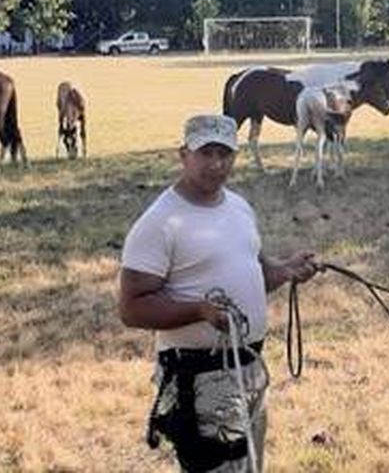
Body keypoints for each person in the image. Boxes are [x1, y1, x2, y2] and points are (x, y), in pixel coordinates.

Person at [119, 113, 320, 473]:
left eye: (225, 154)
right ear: (184, 155)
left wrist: (288, 270)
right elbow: (132, 308)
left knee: (249, 465)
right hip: (201, 377)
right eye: (206, 153)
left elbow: (256, 271)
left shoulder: (239, 207)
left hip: (250, 367)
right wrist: (198, 311)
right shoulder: (161, 222)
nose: (216, 164)